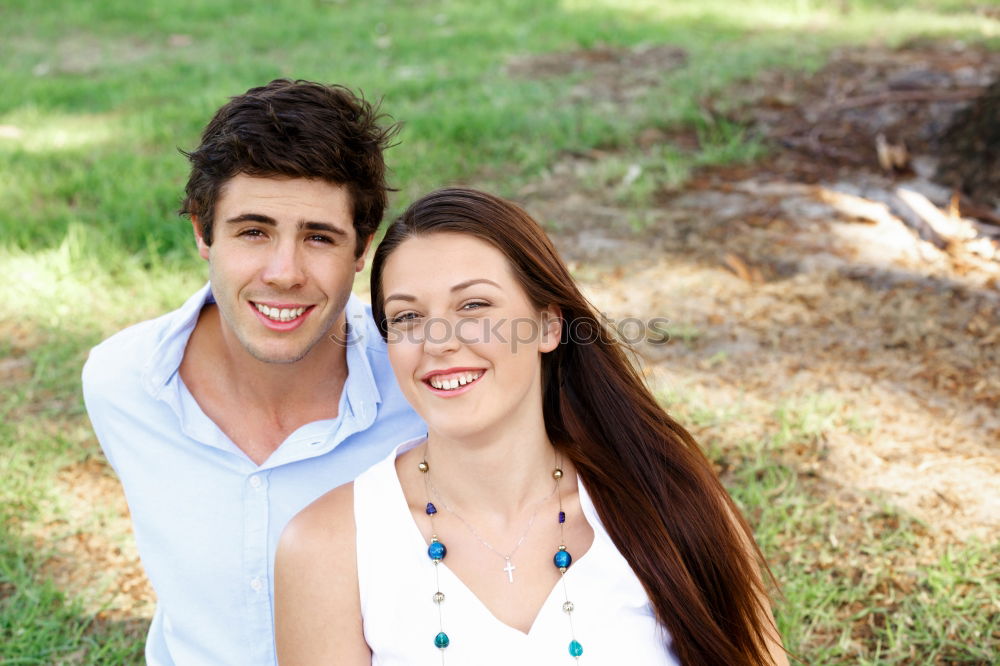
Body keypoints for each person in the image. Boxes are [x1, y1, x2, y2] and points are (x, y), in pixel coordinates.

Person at [274, 188, 788, 665]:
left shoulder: (667, 502)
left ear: (547, 325)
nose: (438, 342)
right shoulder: (329, 546)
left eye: (473, 306)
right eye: (407, 317)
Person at [81, 79, 426, 665]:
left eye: (319, 237)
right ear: (201, 231)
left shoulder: (423, 389)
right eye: (252, 232)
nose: (284, 272)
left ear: (362, 250)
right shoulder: (122, 383)